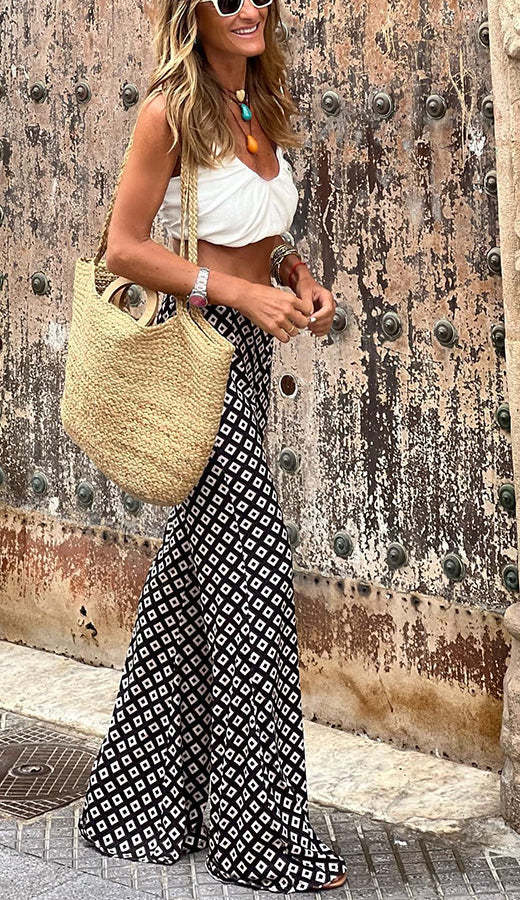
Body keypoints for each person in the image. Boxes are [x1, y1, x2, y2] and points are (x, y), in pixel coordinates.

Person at [78, 0, 348, 892]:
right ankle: (257, 840)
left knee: (195, 585)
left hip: (248, 359)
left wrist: (294, 276)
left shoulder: (257, 104)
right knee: (251, 591)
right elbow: (123, 249)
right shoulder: (170, 109)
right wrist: (235, 295)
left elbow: (257, 234)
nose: (248, 7)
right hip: (203, 355)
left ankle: (138, 803)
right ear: (194, 7)